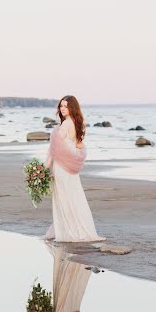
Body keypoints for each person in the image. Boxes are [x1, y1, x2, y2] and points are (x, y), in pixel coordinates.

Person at [44, 95, 105, 242]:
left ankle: (68, 230)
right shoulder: (78, 124)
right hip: (70, 167)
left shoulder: (65, 125)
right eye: (61, 106)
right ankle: (81, 228)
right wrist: (72, 159)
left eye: (65, 106)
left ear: (72, 108)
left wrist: (44, 167)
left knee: (64, 197)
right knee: (75, 196)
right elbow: (79, 146)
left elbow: (54, 148)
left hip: (60, 165)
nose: (62, 109)